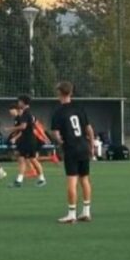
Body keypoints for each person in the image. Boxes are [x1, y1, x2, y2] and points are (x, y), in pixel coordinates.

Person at [50, 81, 96, 224]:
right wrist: (92, 145)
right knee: (85, 179)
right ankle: (86, 212)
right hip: (83, 146)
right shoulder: (79, 108)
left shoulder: (58, 111)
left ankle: (71, 214)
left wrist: (60, 142)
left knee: (72, 181)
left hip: (71, 148)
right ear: (71, 93)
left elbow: (56, 134)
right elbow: (89, 129)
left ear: (59, 93)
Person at [8, 95, 46, 188]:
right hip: (27, 140)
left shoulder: (26, 113)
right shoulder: (27, 113)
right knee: (23, 159)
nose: (18, 103)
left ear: (23, 102)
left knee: (31, 159)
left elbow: (23, 126)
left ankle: (41, 179)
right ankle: (19, 181)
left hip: (28, 141)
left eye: (19, 101)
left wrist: (11, 129)